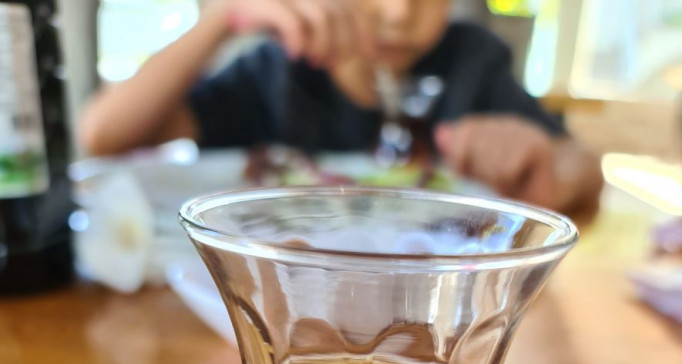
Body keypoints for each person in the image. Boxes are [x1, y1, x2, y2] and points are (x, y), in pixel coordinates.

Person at [80, 0, 603, 213]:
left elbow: (581, 165)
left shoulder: (473, 62)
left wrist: (545, 168)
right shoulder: (275, 72)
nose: (398, 12)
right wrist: (222, 17)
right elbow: (103, 133)